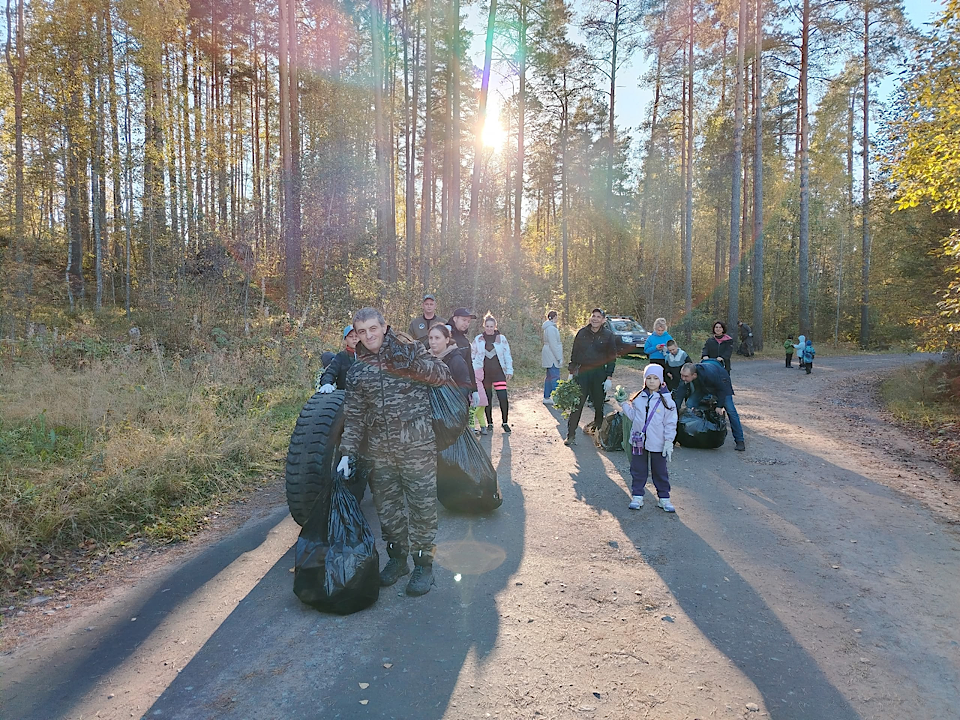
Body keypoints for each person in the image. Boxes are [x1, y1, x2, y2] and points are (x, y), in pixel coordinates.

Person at [337, 308, 452, 596]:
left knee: (422, 508)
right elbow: (354, 415)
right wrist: (347, 453)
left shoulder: (409, 350)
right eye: (362, 331)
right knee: (388, 511)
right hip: (380, 452)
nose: (369, 335)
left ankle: (424, 565)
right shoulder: (358, 370)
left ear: (384, 327)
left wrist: (412, 364)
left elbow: (442, 375)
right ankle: (398, 560)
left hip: (417, 446)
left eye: (373, 328)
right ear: (356, 335)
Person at [620, 364, 678, 512]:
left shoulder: (667, 401)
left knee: (660, 470)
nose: (652, 381)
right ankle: (637, 495)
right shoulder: (639, 397)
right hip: (638, 441)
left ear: (661, 380)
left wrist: (668, 441)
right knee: (638, 468)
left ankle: (664, 498)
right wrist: (623, 403)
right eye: (648, 378)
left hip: (658, 442)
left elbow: (670, 423)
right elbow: (634, 417)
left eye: (655, 378)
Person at [564, 308, 619, 446]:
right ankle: (570, 435)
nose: (595, 319)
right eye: (593, 316)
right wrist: (571, 373)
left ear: (603, 320)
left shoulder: (608, 335)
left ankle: (599, 434)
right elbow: (574, 354)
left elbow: (612, 358)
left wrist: (609, 377)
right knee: (577, 405)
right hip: (582, 373)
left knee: (599, 405)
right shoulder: (582, 333)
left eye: (598, 317)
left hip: (599, 374)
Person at [677, 360, 746, 451]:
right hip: (703, 387)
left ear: (694, 375)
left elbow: (722, 389)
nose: (683, 378)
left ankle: (740, 441)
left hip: (722, 383)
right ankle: (690, 434)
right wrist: (675, 409)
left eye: (685, 376)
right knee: (690, 404)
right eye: (681, 375)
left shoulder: (710, 374)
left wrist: (719, 406)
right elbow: (680, 393)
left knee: (731, 411)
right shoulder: (687, 375)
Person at [472, 314, 514, 433]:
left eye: (491, 326)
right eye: (487, 326)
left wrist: (509, 370)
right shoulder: (478, 339)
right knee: (487, 398)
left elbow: (507, 355)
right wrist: (473, 369)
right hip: (484, 374)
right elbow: (472, 354)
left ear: (495, 326)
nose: (489, 328)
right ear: (484, 326)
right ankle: (489, 422)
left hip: (499, 373)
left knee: (503, 397)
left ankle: (505, 422)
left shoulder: (501, 338)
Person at [426, 324, 473, 403]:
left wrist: (451, 399)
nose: (433, 342)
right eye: (431, 338)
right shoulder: (425, 360)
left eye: (437, 338)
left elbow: (465, 386)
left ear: (447, 339)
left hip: (452, 408)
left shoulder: (456, 360)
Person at [316, 325, 359, 393]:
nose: (354, 339)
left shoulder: (369, 356)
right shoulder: (341, 357)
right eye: (351, 336)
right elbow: (330, 372)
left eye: (357, 336)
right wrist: (327, 383)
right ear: (345, 340)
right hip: (345, 396)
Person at [448, 307, 478, 390]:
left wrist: (474, 389)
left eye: (468, 321)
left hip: (462, 387)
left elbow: (469, 365)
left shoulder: (465, 341)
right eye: (464, 320)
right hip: (444, 386)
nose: (466, 323)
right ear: (455, 318)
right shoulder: (444, 336)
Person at [541, 310, 563, 405]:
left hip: (549, 353)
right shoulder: (551, 329)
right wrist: (559, 357)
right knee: (555, 377)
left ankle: (547, 396)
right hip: (551, 355)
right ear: (554, 317)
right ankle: (556, 398)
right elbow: (553, 344)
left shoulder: (549, 328)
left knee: (550, 377)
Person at [472, 366, 490, 436]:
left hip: (476, 401)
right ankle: (483, 428)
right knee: (480, 415)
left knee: (471, 414)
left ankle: (472, 428)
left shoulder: (472, 380)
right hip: (483, 400)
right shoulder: (480, 378)